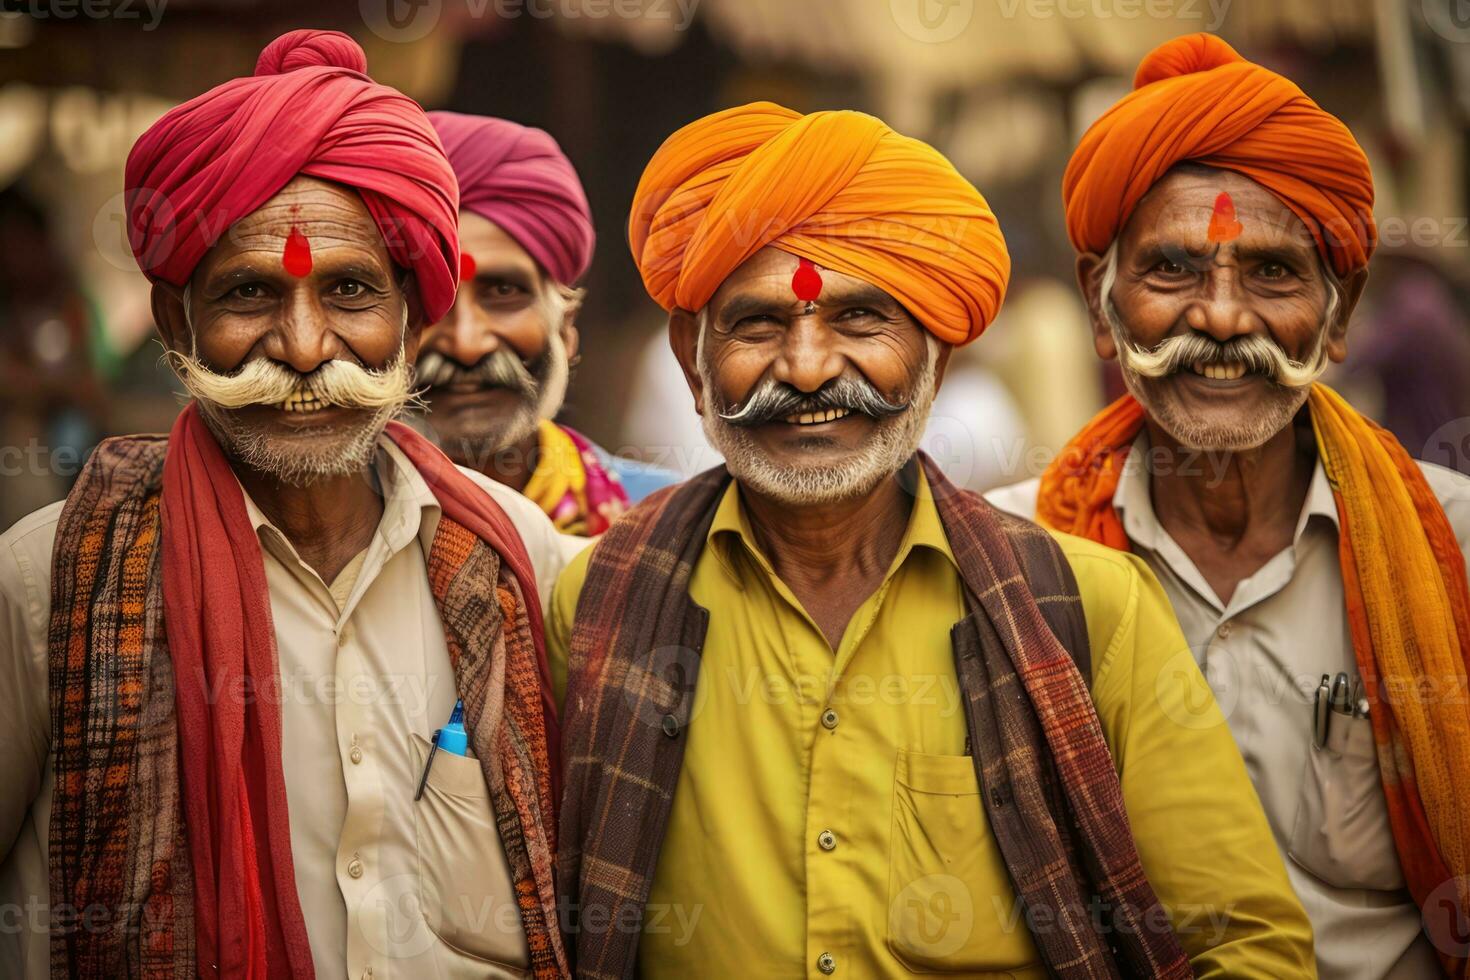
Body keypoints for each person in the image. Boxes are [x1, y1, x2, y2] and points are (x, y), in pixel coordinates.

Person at [549, 101, 1313, 978]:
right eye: (759, 324)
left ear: (936, 359)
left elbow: (1249, 948)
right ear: (693, 359)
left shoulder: (1089, 611)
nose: (807, 369)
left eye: (860, 322)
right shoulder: (605, 600)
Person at [0, 31, 568, 980]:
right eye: (251, 294)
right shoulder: (45, 583)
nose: (304, 347)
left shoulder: (522, 557)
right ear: (177, 321)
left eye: (350, 291)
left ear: (414, 317)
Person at [988, 33, 1470, 979]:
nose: (1220, 316)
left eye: (1274, 274)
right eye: (1170, 270)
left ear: (1339, 316)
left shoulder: (1454, 545)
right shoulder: (1012, 558)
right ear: (1101, 302)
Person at [416, 112, 677, 536]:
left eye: (503, 293)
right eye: (432, 298)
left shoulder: (669, 527)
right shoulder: (320, 538)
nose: (466, 343)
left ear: (566, 328)